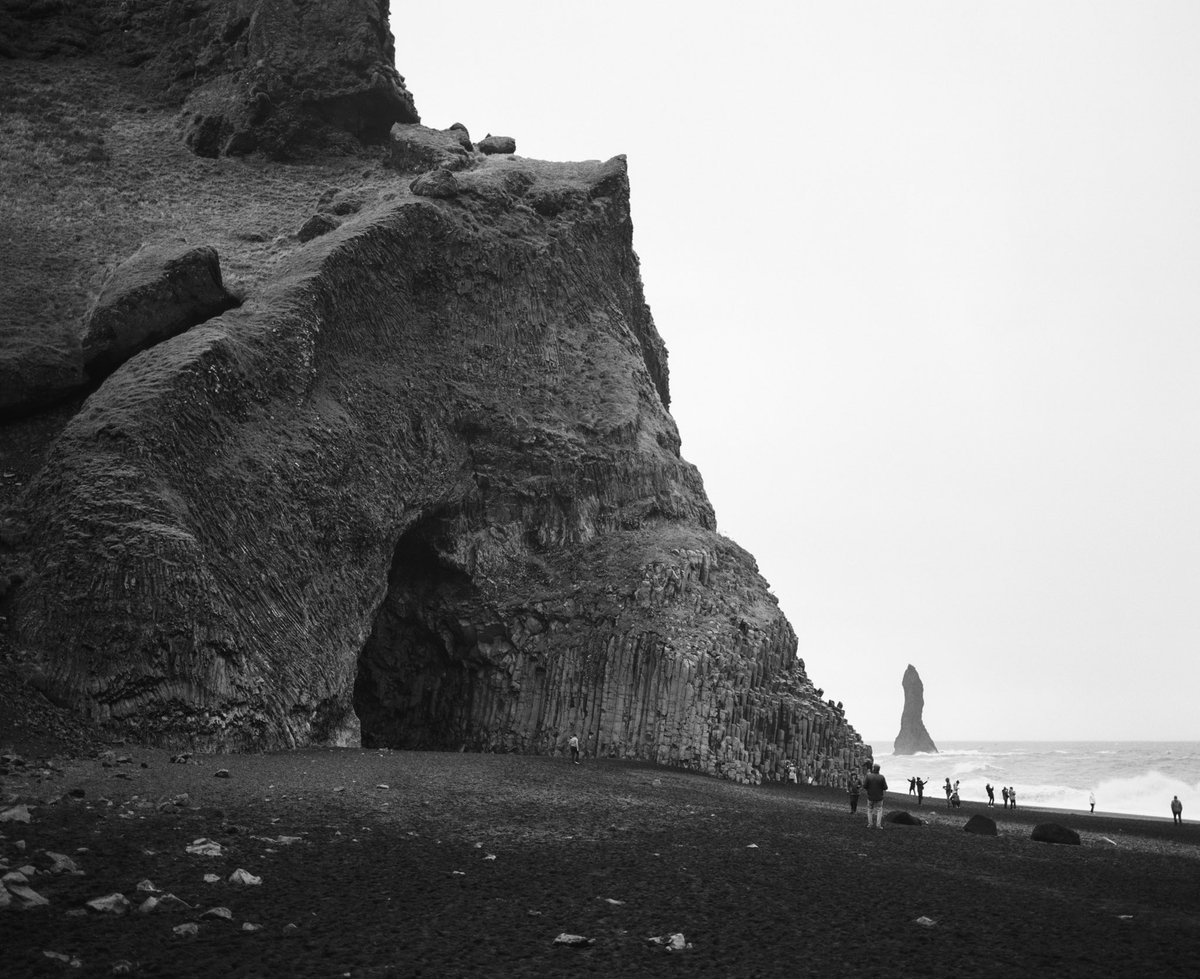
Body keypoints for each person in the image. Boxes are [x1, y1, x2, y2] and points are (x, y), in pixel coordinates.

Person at [863, 763, 888, 829]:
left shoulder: (868, 776)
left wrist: (869, 789)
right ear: (879, 770)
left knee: (870, 810)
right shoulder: (882, 777)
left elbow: (864, 786)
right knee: (879, 810)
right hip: (879, 797)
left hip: (870, 796)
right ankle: (878, 825)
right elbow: (885, 787)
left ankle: (870, 824)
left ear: (873, 769)